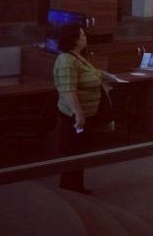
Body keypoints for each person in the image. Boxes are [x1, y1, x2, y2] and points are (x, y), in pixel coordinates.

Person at [52, 22, 111, 195]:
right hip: (76, 116)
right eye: (83, 35)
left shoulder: (77, 56)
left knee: (82, 151)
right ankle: (69, 188)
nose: (86, 37)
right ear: (75, 40)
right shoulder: (67, 61)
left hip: (87, 113)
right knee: (75, 151)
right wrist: (79, 115)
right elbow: (68, 90)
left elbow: (87, 76)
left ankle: (76, 185)